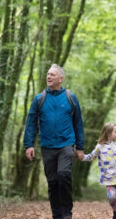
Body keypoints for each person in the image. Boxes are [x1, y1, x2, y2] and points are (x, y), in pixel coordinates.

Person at [23, 64, 85, 219]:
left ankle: (67, 214)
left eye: (52, 74)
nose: (48, 77)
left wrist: (80, 147)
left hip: (66, 145)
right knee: (52, 181)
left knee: (63, 175)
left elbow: (78, 123)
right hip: (47, 146)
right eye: (48, 74)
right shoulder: (39, 99)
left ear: (60, 78)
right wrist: (29, 145)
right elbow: (31, 122)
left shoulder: (71, 98)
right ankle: (57, 215)